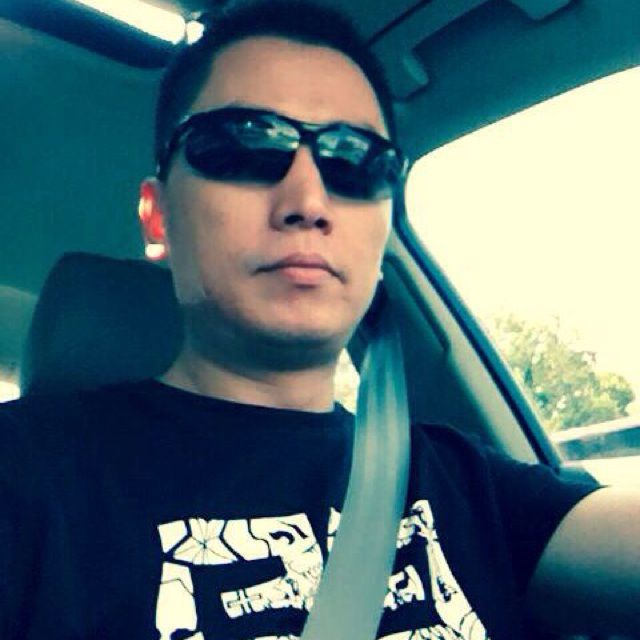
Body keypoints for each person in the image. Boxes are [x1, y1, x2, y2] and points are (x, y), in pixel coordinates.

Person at [0, 1, 638, 639]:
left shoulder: (462, 480)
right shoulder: (28, 472)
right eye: (244, 144)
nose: (308, 201)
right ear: (158, 216)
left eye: (355, 161)